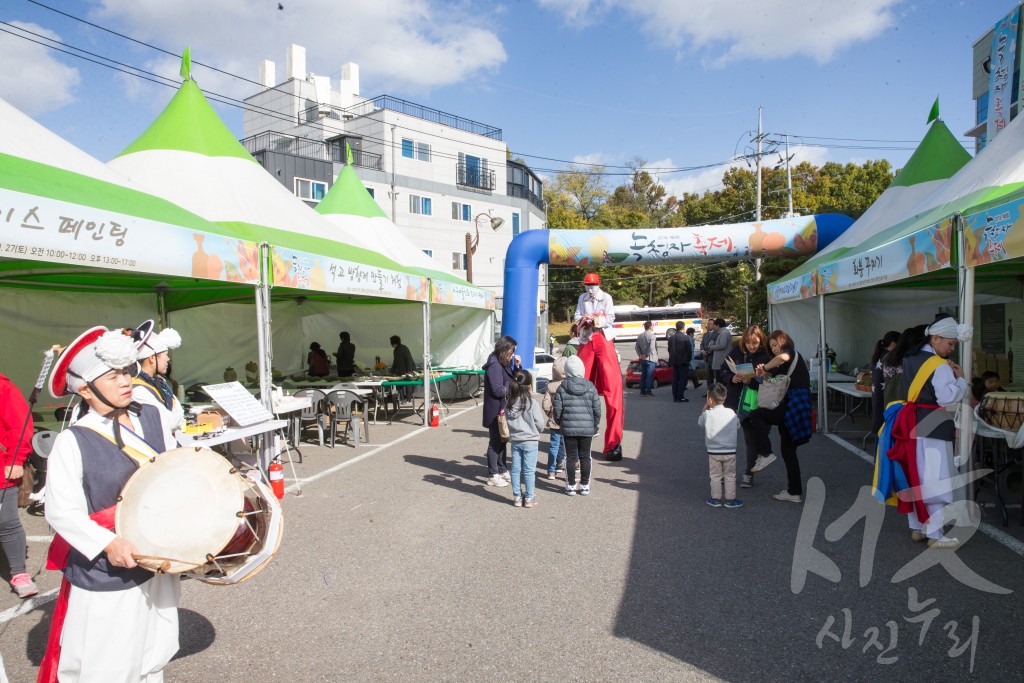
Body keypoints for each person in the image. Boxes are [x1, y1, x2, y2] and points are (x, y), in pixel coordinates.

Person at [38, 327, 180, 682]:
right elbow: (62, 512)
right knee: (108, 660)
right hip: (108, 566)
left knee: (155, 647)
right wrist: (108, 543)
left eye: (126, 371)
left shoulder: (153, 415)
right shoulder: (73, 441)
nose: (125, 381)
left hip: (156, 553)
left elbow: (175, 468)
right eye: (112, 376)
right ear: (85, 389)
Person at [888, 315, 970, 549]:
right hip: (934, 424)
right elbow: (947, 397)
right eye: (950, 343)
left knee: (916, 475)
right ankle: (935, 533)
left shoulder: (910, 357)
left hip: (912, 424)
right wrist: (961, 381)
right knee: (938, 479)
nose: (952, 348)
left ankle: (917, 528)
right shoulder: (939, 365)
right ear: (936, 338)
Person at [749, 330, 813, 503]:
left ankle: (765, 453)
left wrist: (766, 367)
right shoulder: (780, 365)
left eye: (776, 345)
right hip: (792, 405)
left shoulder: (790, 354)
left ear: (784, 342)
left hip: (794, 404)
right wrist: (764, 375)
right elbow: (773, 383)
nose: (774, 349)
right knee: (788, 451)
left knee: (757, 415)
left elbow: (782, 358)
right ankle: (794, 492)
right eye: (771, 347)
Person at [573, 273, 624, 460]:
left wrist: (597, 319)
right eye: (587, 285)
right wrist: (584, 319)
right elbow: (577, 315)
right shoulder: (582, 298)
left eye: (593, 285)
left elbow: (611, 318)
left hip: (603, 338)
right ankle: (576, 439)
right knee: (576, 386)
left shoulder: (607, 297)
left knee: (614, 389)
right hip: (586, 340)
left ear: (598, 285)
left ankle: (613, 442)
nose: (590, 288)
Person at [719, 325, 771, 488]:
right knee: (727, 439)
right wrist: (731, 377)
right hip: (735, 400)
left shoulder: (767, 356)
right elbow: (722, 369)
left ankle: (749, 474)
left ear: (761, 341)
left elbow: (771, 381)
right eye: (748, 343)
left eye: (755, 343)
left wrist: (753, 381)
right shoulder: (737, 351)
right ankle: (724, 473)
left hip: (756, 404)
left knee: (751, 441)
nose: (751, 346)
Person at [1, 371, 37, 598]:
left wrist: (16, 457)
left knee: (6, 522)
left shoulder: (4, 389)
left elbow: (20, 424)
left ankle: (18, 572)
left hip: (2, 468)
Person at [553, 356, 602, 496]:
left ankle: (571, 485)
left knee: (570, 457)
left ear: (566, 371)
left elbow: (557, 410)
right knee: (586, 457)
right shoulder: (591, 386)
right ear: (582, 369)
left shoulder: (562, 388)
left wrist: (561, 423)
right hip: (587, 428)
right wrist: (594, 425)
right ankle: (585, 485)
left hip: (568, 429)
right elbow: (597, 410)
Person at [131, 321, 184, 446]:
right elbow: (171, 422)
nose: (168, 359)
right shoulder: (138, 389)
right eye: (165, 355)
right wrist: (177, 414)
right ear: (152, 358)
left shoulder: (158, 381)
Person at [482, 336, 521, 487]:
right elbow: (498, 390)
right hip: (495, 410)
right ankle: (493, 475)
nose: (512, 355)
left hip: (502, 408)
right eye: (511, 352)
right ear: (504, 350)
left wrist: (517, 367)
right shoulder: (495, 365)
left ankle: (502, 469)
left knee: (503, 440)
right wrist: (512, 388)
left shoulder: (503, 362)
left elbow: (511, 378)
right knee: (495, 442)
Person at [505, 370, 547, 508]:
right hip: (530, 441)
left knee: (516, 470)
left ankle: (517, 496)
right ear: (529, 386)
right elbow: (540, 423)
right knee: (529, 471)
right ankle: (529, 498)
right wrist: (536, 430)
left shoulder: (509, 404)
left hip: (516, 440)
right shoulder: (532, 403)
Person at [699, 383, 742, 508]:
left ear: (710, 400)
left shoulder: (708, 414)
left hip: (713, 452)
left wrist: (705, 409)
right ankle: (730, 500)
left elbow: (700, 422)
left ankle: (716, 499)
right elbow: (738, 425)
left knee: (715, 476)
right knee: (730, 475)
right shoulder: (731, 413)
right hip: (730, 451)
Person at [541, 357, 568, 480]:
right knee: (569, 445)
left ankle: (551, 470)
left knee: (553, 446)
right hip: (568, 420)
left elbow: (546, 404)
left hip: (554, 420)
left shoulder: (550, 386)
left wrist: (551, 414)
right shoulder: (569, 385)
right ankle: (570, 466)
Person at [870, 330, 901, 433]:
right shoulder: (890, 358)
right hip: (885, 398)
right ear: (893, 344)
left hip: (877, 395)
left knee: (878, 423)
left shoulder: (878, 356)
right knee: (884, 428)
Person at [667, 322, 694, 403]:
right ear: (683, 328)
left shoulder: (671, 338)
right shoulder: (685, 338)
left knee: (675, 378)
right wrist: (689, 359)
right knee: (682, 379)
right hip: (683, 361)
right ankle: (680, 396)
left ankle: (674, 396)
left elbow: (669, 349)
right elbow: (689, 350)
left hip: (674, 361)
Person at [634, 320, 659, 396]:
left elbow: (636, 347)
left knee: (643, 375)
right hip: (650, 358)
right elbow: (651, 347)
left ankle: (642, 392)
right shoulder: (652, 336)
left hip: (642, 359)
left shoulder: (640, 336)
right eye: (652, 325)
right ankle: (648, 391)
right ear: (650, 326)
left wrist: (640, 355)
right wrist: (646, 355)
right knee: (649, 375)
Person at [390, 335, 417, 403]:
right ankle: (402, 398)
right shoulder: (395, 351)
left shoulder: (404, 348)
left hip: (408, 370)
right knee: (399, 384)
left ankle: (408, 399)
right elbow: (395, 362)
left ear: (394, 343)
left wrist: (409, 371)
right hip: (401, 371)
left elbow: (409, 360)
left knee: (408, 384)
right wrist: (392, 371)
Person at [707, 317, 733, 386]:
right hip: (722, 360)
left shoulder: (724, 333)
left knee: (721, 381)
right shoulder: (723, 332)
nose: (714, 327)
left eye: (715, 325)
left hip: (721, 360)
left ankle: (722, 396)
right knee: (720, 381)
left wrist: (711, 347)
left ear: (718, 325)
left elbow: (722, 345)